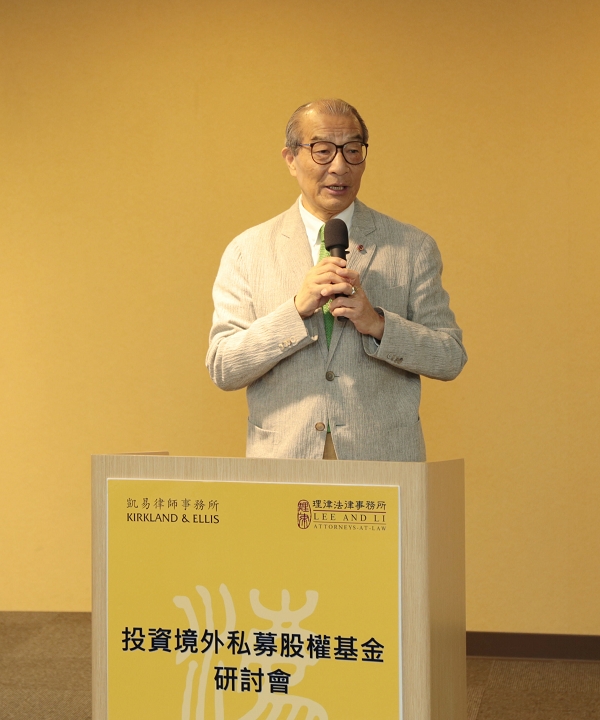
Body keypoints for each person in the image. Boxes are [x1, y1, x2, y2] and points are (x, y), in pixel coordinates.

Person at [206, 99, 467, 461]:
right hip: (284, 463)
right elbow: (223, 367)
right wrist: (295, 312)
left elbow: (449, 356)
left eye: (352, 150)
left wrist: (378, 325)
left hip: (382, 463)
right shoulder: (247, 251)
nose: (340, 166)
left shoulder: (413, 247)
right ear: (291, 159)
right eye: (323, 151)